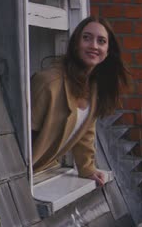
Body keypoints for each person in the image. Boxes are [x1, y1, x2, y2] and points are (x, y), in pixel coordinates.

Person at [31, 16, 130, 186]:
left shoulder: (93, 87)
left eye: (101, 41)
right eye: (86, 38)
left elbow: (85, 132)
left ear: (107, 51)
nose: (93, 45)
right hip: (25, 175)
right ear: (76, 44)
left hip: (45, 172)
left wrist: (87, 168)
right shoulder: (49, 83)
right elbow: (21, 137)